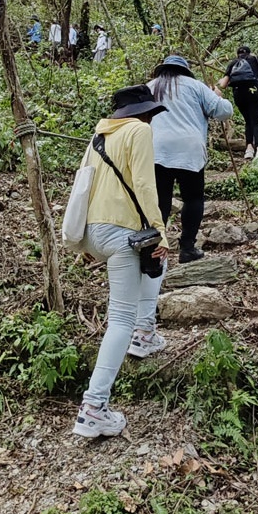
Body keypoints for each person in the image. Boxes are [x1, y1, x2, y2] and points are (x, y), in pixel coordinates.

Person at [73, 84, 169, 438]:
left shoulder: (99, 136)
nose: (150, 119)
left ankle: (147, 331)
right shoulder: (139, 131)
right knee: (120, 320)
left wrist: (82, 238)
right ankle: (94, 407)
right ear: (142, 112)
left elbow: (84, 186)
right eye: (149, 113)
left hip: (95, 231)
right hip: (122, 233)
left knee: (156, 266)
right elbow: (145, 184)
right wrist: (159, 229)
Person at [147, 54, 233, 265]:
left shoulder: (150, 87)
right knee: (193, 198)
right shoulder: (195, 86)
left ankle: (154, 250)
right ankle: (187, 248)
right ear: (185, 71)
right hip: (189, 148)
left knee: (160, 201)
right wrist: (217, 96)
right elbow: (224, 111)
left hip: (156, 148)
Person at [218, 45, 258, 160]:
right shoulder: (255, 59)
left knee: (248, 121)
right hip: (254, 93)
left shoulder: (233, 63)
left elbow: (223, 85)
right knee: (256, 121)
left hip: (239, 95)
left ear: (237, 54)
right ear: (250, 53)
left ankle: (249, 149)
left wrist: (222, 80)